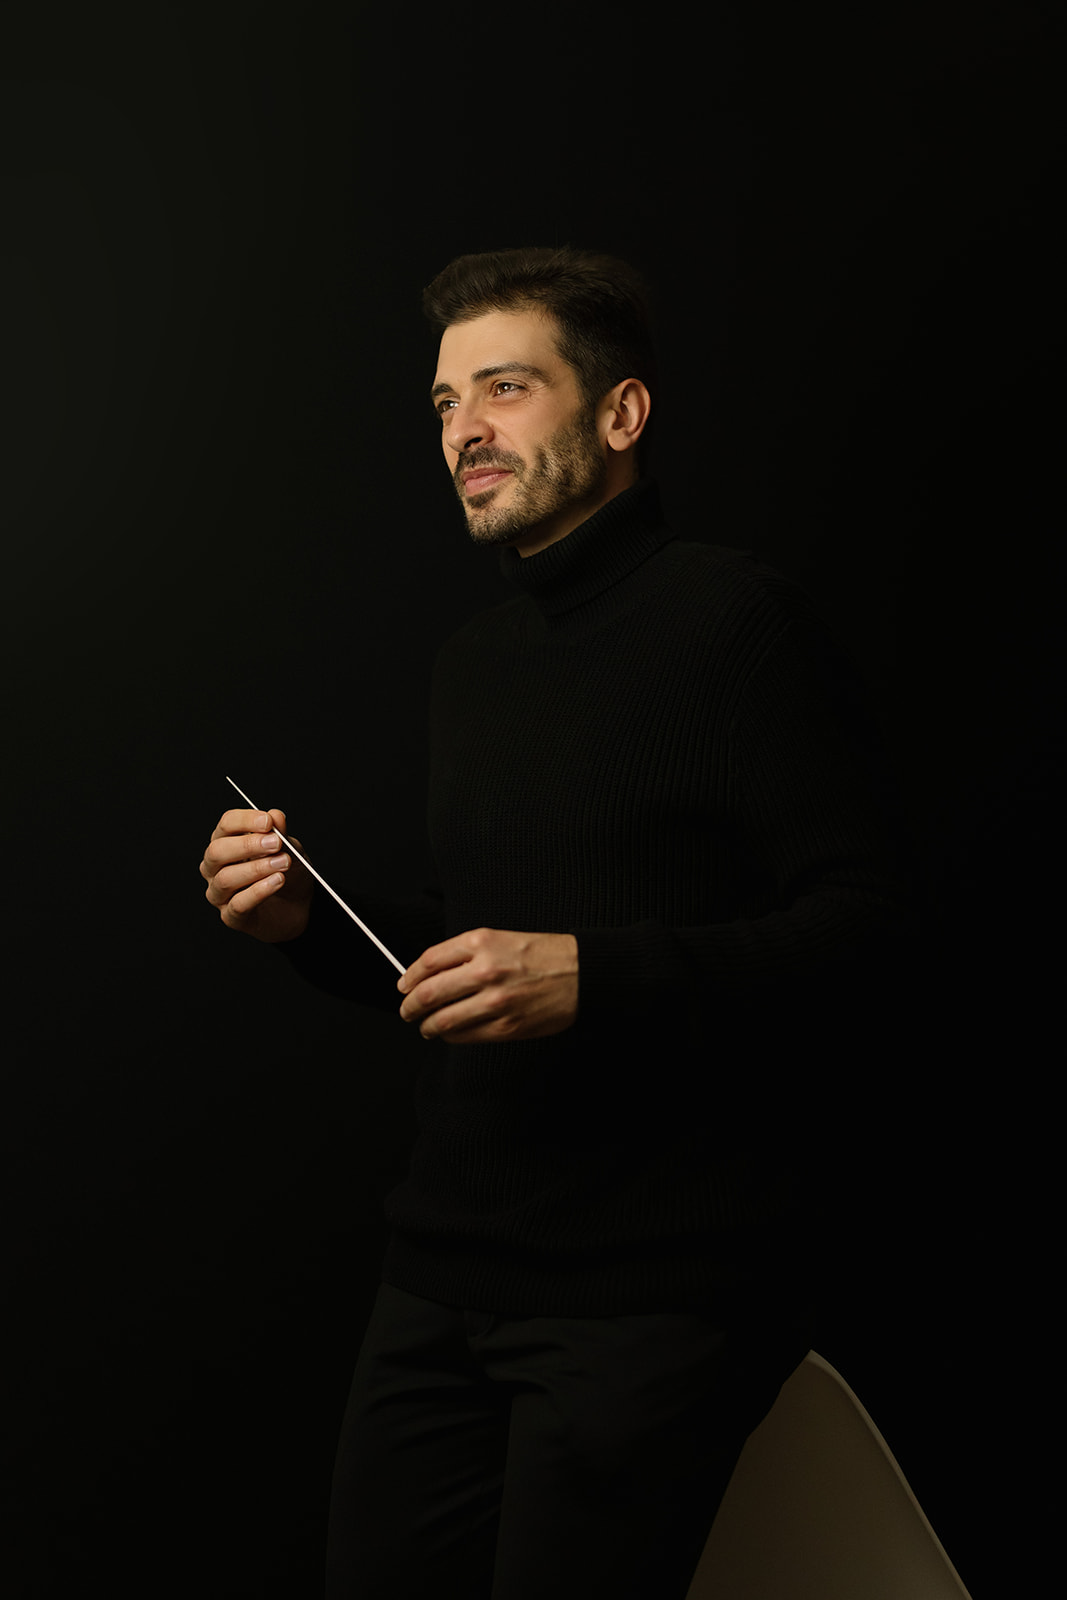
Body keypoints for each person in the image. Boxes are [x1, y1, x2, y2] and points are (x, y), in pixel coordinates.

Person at [199, 246, 907, 1598]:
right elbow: (470, 948)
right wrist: (303, 920)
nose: (463, 428)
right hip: (444, 1268)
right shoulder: (476, 665)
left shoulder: (739, 621)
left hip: (654, 1290)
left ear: (621, 412)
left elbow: (873, 935)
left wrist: (598, 978)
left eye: (505, 388)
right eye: (445, 401)